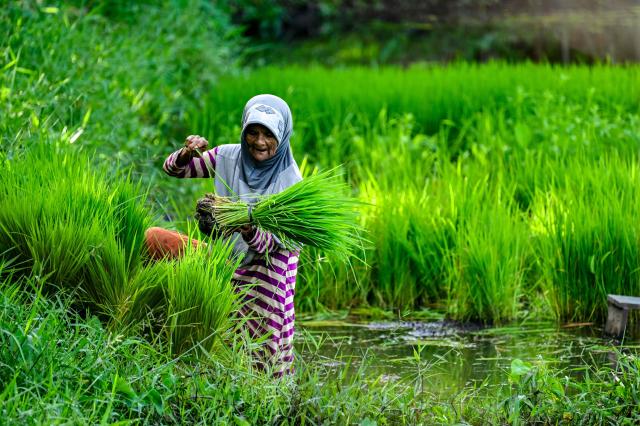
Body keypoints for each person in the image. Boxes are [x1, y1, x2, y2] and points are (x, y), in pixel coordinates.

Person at [145, 94, 302, 376]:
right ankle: (158, 331)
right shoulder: (229, 156)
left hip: (268, 270)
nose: (259, 142)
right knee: (155, 239)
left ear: (282, 134)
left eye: (269, 134)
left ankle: (258, 391)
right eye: (252, 132)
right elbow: (174, 170)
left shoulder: (290, 183)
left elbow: (275, 245)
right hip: (226, 259)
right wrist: (185, 153)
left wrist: (248, 228)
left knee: (260, 354)